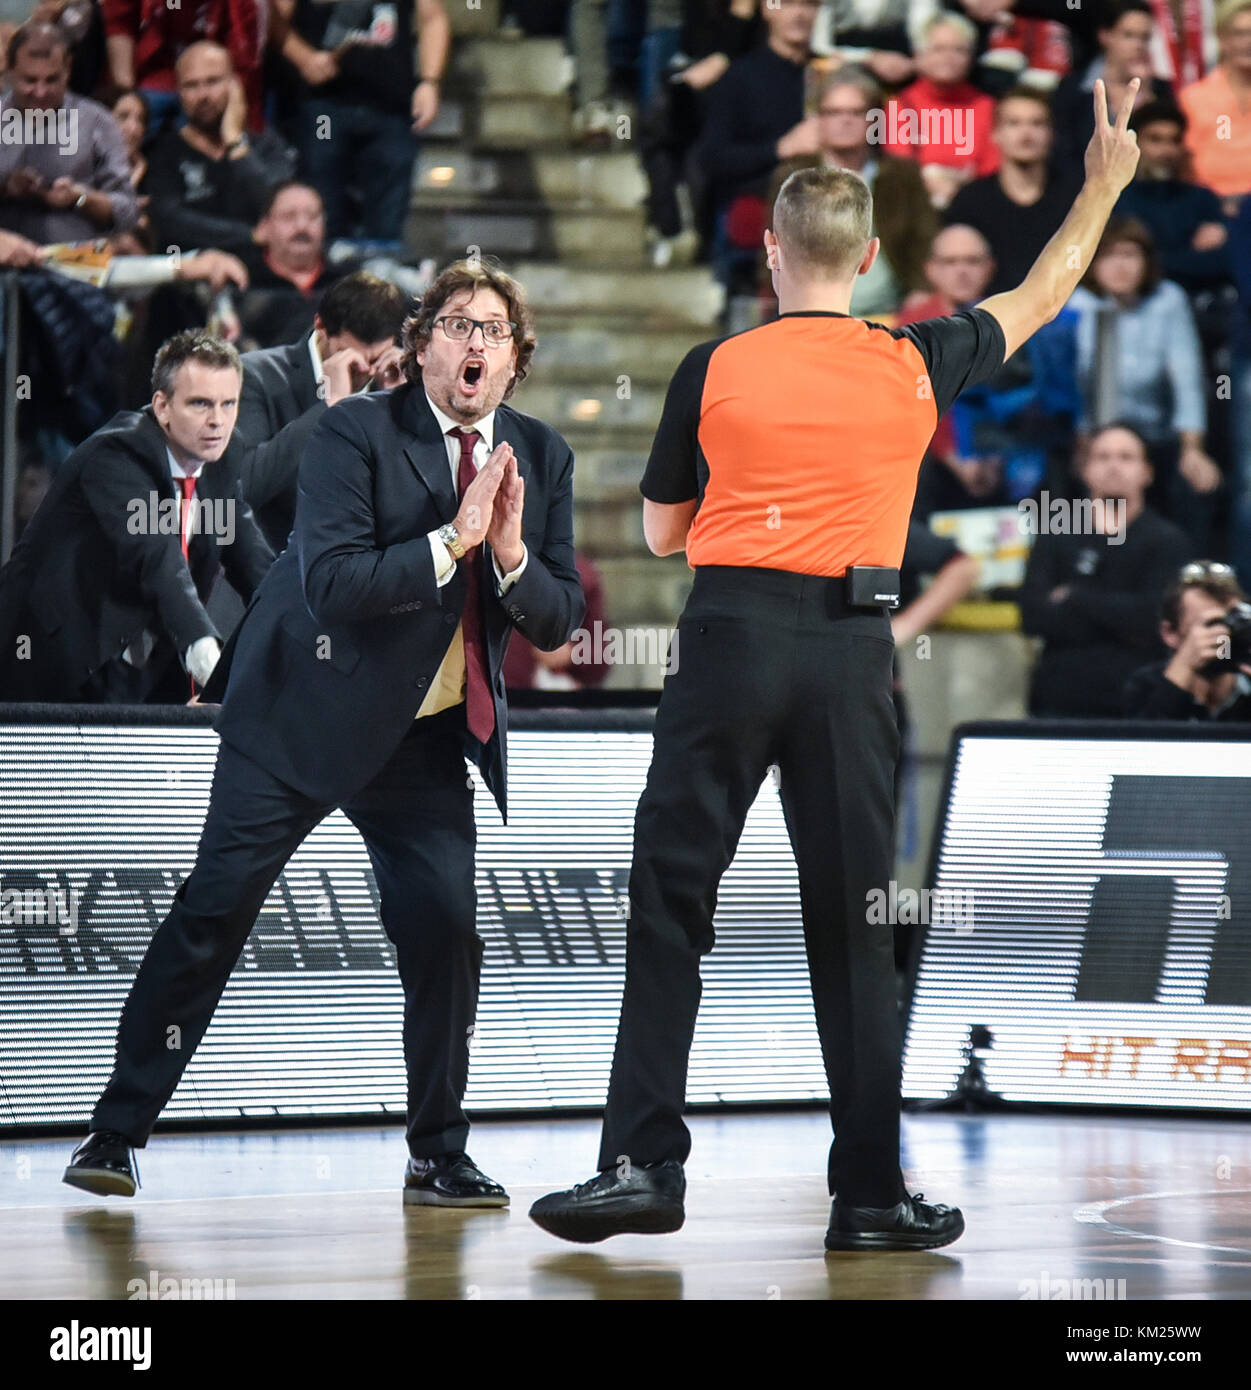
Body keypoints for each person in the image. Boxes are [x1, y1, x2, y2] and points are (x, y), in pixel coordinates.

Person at [530, 76, 1146, 1251]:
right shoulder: (914, 358)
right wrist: (1101, 187)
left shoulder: (711, 367)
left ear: (770, 254)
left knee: (672, 903)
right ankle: (869, 1193)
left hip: (726, 639)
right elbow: (1042, 290)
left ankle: (640, 1166)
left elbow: (663, 535)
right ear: (866, 255)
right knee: (857, 923)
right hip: (854, 651)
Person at [61, 259, 584, 1205]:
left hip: (420, 736)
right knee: (213, 912)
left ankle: (437, 1153)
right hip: (298, 710)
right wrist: (453, 540)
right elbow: (332, 583)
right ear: (421, 345)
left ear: (516, 360)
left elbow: (557, 616)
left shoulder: (542, 458)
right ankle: (114, 1130)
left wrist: (506, 551)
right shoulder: (353, 432)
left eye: (494, 331)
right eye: (456, 325)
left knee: (445, 930)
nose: (475, 343)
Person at [0, 331, 274, 703]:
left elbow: (254, 561)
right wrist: (210, 662)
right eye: (200, 404)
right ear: (162, 406)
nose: (218, 421)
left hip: (138, 665)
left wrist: (304, 634)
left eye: (229, 404)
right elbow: (157, 558)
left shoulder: (221, 459)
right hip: (51, 656)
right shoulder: (118, 454)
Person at [1019, 422, 1193, 716]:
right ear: (1085, 469)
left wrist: (1075, 597)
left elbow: (1155, 621)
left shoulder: (1168, 541)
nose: (1114, 466)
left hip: (1139, 706)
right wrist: (1120, 614)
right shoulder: (1055, 534)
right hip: (1058, 703)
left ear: (1147, 472)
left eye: (1126, 457)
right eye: (1102, 457)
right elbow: (1032, 616)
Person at [1067, 215, 1219, 546]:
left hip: (1157, 437)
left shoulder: (1168, 300)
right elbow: (1072, 386)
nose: (1120, 266)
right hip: (1094, 437)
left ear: (1146, 261)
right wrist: (1084, 447)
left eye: (1130, 255)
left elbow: (1187, 378)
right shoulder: (1077, 305)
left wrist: (1192, 449)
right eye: (1109, 256)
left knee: (1196, 484)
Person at [232, 271, 408, 553]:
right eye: (349, 354)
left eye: (374, 358)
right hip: (277, 568)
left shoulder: (396, 386)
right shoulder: (257, 376)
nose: (364, 369)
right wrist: (329, 409)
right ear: (320, 326)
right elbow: (243, 487)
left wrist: (398, 403)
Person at [271, 0, 450, 243]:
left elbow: (433, 18)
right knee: (321, 210)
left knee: (389, 217)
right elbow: (273, 17)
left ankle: (382, 272)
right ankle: (325, 275)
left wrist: (430, 82)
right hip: (322, 106)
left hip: (390, 102)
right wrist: (304, 58)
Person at [767, 67, 938, 319]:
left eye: (856, 112)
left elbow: (925, 239)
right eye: (834, 112)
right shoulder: (792, 176)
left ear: (875, 119)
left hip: (892, 314)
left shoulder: (903, 175)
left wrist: (921, 291)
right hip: (813, 313)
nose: (845, 120)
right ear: (819, 119)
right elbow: (774, 248)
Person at [144, 43, 296, 259]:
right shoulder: (163, 151)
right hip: (193, 273)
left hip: (266, 270)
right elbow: (171, 221)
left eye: (213, 81)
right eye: (191, 85)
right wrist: (249, 234)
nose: (203, 94)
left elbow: (280, 208)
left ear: (234, 85)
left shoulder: (265, 144)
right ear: (179, 93)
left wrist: (235, 142)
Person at [0, 23, 140, 245]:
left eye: (52, 80)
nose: (40, 92)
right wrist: (5, 188)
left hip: (75, 266)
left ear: (67, 70)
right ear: (10, 72)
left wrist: (80, 197)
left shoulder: (97, 121)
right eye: (30, 80)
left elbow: (128, 212)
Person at [945, 86, 1082, 294]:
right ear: (995, 134)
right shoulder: (970, 201)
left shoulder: (1076, 197)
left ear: (1052, 134)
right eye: (1014, 123)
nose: (1026, 134)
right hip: (988, 312)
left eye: (1037, 123)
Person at [882, 12, 999, 210]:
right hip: (917, 209)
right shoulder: (900, 105)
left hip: (975, 207)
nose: (949, 58)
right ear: (919, 55)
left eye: (959, 50)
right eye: (939, 49)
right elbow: (901, 170)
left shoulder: (988, 107)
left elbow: (993, 169)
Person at [1116, 101, 1231, 295]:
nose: (1166, 151)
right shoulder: (1117, 200)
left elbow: (1223, 263)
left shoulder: (1203, 199)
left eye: (1175, 140)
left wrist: (1153, 259)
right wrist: (1188, 258)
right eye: (1155, 140)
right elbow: (1123, 271)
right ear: (1134, 143)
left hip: (1202, 302)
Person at [1049, 0, 1173, 178]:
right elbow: (1063, 154)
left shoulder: (1160, 91)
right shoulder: (1074, 89)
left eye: (1144, 37)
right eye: (1128, 35)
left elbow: (1165, 153)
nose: (1138, 45)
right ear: (1105, 35)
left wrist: (1146, 95)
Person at [1124, 561, 1251, 718]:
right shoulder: (1145, 686)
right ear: (1170, 633)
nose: (1225, 634)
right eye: (1213, 624)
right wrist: (1183, 669)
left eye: (1234, 623)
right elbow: (1144, 740)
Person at [1177, 0, 1251, 208]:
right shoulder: (1194, 99)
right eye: (1240, 34)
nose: (1248, 42)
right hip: (1210, 209)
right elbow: (1184, 169)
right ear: (1223, 39)